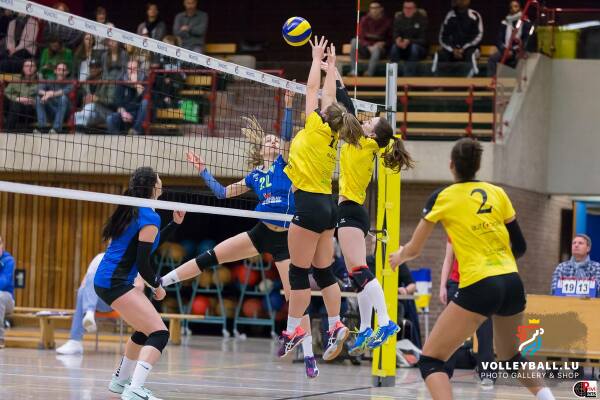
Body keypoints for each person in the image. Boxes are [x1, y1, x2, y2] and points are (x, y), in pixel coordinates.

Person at [160, 90, 321, 379]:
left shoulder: (286, 165)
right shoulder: (255, 176)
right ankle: (162, 281)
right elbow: (222, 193)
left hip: (287, 239)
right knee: (212, 256)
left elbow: (286, 136)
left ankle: (308, 354)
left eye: (276, 140)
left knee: (295, 296)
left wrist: (287, 106)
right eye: (269, 141)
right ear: (261, 150)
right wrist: (203, 171)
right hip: (261, 232)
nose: (274, 142)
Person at [389, 138, 555, 400]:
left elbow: (415, 249)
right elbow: (521, 246)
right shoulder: (497, 192)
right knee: (511, 357)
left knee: (431, 360)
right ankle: (548, 397)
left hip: (480, 283)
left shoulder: (442, 197)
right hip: (511, 281)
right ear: (478, 165)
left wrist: (399, 256)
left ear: (451, 165)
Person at [278, 36, 363, 362]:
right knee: (324, 271)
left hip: (311, 205)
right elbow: (327, 95)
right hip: (328, 207)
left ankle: (293, 330)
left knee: (298, 273)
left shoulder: (315, 126)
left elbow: (313, 90)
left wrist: (316, 60)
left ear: (324, 115)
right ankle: (335, 323)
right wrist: (332, 67)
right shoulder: (333, 132)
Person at [332, 68, 415, 356]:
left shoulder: (363, 142)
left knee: (359, 270)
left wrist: (335, 76)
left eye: (371, 122)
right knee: (357, 274)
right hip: (353, 212)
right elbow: (351, 112)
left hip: (351, 211)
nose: (366, 121)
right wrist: (336, 74)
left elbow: (347, 108)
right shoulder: (366, 143)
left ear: (372, 133)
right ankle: (367, 328)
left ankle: (387, 322)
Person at [94, 166, 184, 400]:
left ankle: (120, 381)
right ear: (154, 186)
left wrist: (174, 225)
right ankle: (135, 388)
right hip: (115, 281)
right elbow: (143, 264)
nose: (162, 181)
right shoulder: (149, 216)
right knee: (160, 333)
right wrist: (157, 286)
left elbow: (147, 246)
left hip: (108, 280)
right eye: (159, 178)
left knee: (145, 330)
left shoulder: (133, 208)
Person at [439, 239, 496, 388]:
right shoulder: (454, 229)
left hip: (482, 283)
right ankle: (445, 372)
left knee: (484, 330)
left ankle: (487, 373)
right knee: (451, 330)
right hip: (457, 283)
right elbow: (448, 258)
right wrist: (442, 286)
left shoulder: (486, 229)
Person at [433, 0, 483, 77]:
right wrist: (453, 49)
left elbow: (479, 35)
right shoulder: (449, 15)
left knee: (471, 55)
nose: (460, 1)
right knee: (440, 54)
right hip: (453, 49)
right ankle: (440, 81)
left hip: (470, 48)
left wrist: (464, 48)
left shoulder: (474, 15)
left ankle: (469, 81)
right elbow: (442, 37)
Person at [488, 0, 533, 76]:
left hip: (519, 51)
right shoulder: (505, 22)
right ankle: (492, 80)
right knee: (492, 59)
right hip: (505, 50)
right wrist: (504, 50)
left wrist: (517, 50)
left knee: (521, 59)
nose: (513, 9)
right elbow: (499, 39)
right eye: (511, 7)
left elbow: (527, 40)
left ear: (520, 8)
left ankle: (518, 81)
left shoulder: (526, 22)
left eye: (516, 6)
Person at [349, 1, 392, 77]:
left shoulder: (387, 21)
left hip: (380, 51)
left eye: (376, 8)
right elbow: (360, 36)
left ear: (381, 9)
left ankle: (369, 73)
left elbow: (391, 39)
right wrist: (368, 46)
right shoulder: (364, 20)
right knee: (354, 41)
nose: (374, 10)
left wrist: (384, 43)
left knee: (376, 49)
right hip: (366, 49)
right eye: (372, 8)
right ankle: (354, 71)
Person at [74, 58, 117, 130]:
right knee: (77, 115)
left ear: (101, 69)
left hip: (105, 113)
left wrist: (97, 99)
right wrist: (84, 100)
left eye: (96, 67)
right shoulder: (85, 82)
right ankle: (80, 132)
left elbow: (112, 101)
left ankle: (80, 131)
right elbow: (80, 101)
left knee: (89, 107)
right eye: (91, 67)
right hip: (89, 114)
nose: (93, 70)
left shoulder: (108, 81)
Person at [106, 60, 148, 135]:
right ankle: (117, 140)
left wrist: (136, 83)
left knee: (145, 102)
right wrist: (123, 113)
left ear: (139, 69)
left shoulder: (145, 79)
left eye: (134, 68)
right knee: (110, 119)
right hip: (126, 112)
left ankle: (135, 131)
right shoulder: (122, 80)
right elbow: (117, 101)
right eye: (129, 69)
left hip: (140, 114)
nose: (131, 71)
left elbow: (146, 97)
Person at [390, 0, 428, 75]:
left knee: (414, 48)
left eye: (410, 8)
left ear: (415, 9)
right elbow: (395, 34)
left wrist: (409, 41)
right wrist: (397, 39)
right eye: (405, 8)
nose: (407, 10)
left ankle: (408, 77)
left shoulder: (422, 19)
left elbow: (424, 40)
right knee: (394, 48)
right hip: (402, 47)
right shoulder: (399, 19)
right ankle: (392, 75)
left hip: (418, 48)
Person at [34, 62, 73, 133]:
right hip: (51, 110)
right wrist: (46, 93)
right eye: (59, 69)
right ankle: (42, 127)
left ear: (67, 72)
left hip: (65, 113)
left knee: (63, 98)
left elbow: (64, 91)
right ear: (55, 71)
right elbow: (37, 90)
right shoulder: (50, 79)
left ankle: (56, 129)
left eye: (63, 70)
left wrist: (50, 94)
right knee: (38, 98)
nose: (61, 72)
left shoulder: (71, 81)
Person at [3, 59, 38, 132]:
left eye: (32, 66)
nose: (29, 68)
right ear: (23, 68)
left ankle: (6, 130)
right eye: (27, 66)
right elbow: (6, 92)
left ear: (35, 68)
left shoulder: (40, 80)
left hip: (31, 109)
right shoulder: (17, 79)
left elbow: (42, 96)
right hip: (14, 106)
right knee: (11, 104)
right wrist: (17, 98)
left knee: (15, 106)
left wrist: (30, 100)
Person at [0, 235, 15, 349]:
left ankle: (0, 337)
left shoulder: (8, 260)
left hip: (7, 298)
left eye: (0, 243)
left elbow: (3, 282)